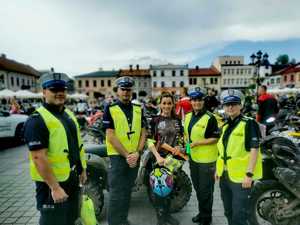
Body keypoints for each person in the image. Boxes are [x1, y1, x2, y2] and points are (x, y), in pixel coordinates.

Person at [24, 72, 87, 225]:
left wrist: (82, 169)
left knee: (70, 219)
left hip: (71, 178)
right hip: (51, 185)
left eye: (63, 89)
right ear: (44, 92)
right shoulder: (37, 120)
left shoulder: (68, 115)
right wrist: (55, 187)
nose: (60, 93)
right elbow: (38, 157)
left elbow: (76, 145)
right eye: (54, 90)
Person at [103, 76, 147, 225]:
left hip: (134, 157)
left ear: (132, 91)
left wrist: (138, 153)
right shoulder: (110, 109)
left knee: (127, 191)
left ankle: (123, 220)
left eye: (128, 89)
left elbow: (143, 133)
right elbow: (110, 135)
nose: (126, 92)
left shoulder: (138, 109)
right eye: (123, 89)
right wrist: (128, 155)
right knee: (116, 194)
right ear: (118, 91)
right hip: (118, 157)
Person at [216, 89, 262, 225]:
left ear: (240, 106)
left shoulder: (249, 123)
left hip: (241, 178)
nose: (230, 107)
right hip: (225, 176)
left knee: (239, 214)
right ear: (223, 107)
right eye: (227, 104)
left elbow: (255, 149)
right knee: (228, 211)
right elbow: (222, 151)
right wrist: (218, 171)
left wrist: (249, 174)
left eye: (234, 104)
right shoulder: (225, 126)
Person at [184, 87, 220, 225]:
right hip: (193, 159)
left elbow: (215, 138)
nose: (196, 103)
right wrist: (187, 150)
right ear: (191, 101)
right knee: (198, 189)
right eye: (194, 100)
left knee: (206, 191)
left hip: (207, 161)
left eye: (199, 100)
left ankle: (206, 218)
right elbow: (188, 137)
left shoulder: (210, 118)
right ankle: (202, 213)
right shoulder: (187, 116)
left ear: (203, 101)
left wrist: (198, 143)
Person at [147, 91, 184, 225]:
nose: (167, 106)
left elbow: (181, 138)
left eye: (169, 103)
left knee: (171, 187)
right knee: (159, 190)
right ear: (160, 104)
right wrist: (157, 156)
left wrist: (180, 147)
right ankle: (161, 219)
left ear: (173, 104)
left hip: (174, 160)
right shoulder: (155, 120)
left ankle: (168, 216)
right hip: (159, 159)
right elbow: (149, 141)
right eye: (164, 103)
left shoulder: (177, 120)